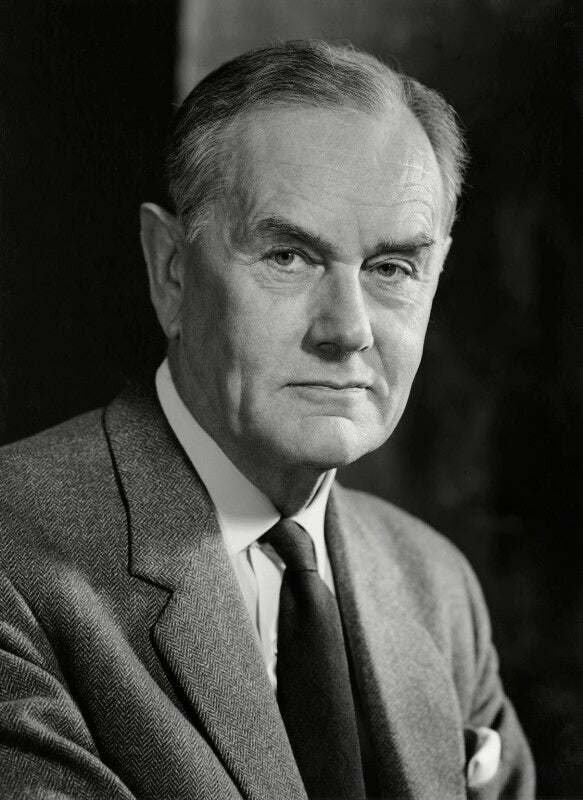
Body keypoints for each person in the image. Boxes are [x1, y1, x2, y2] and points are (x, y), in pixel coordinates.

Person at [0, 40, 534, 800]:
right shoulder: (15, 560)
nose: (348, 330)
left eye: (391, 268)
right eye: (288, 256)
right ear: (170, 270)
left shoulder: (436, 584)